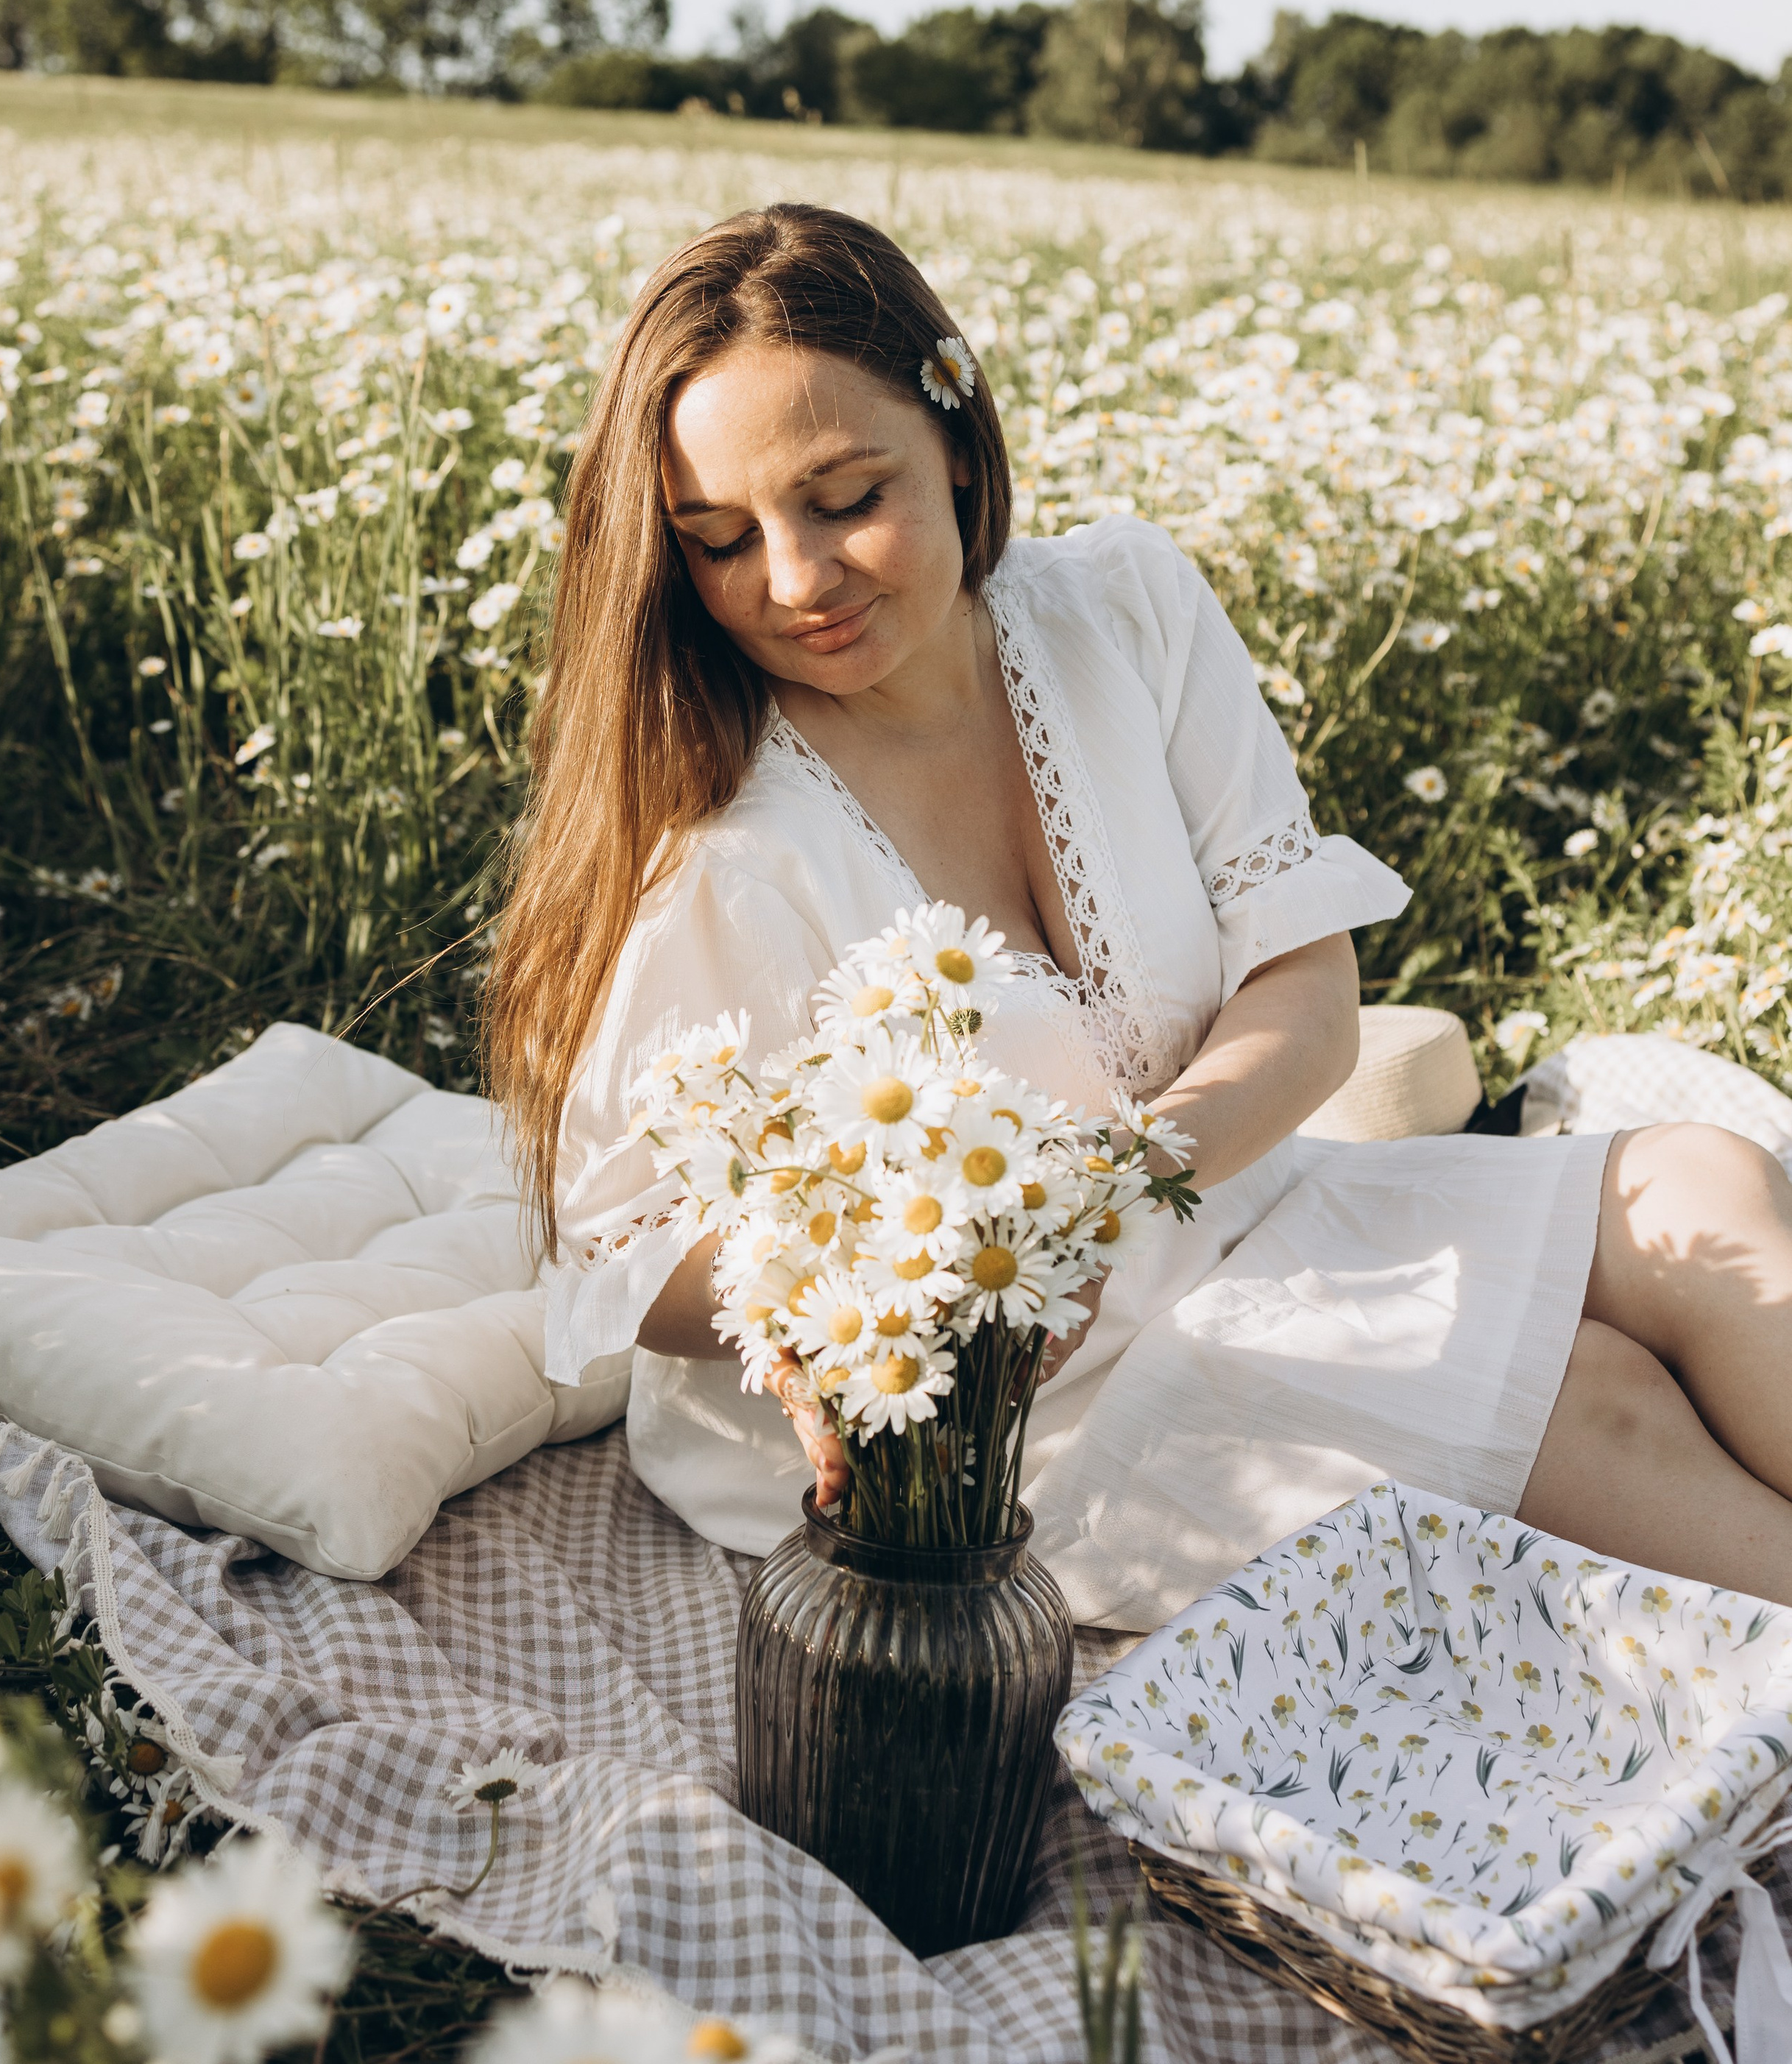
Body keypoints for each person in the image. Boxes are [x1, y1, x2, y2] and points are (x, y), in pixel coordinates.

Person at [486, 202, 1792, 1630]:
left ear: (955, 434)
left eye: (846, 498)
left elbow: (1304, 992)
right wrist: (905, 1298)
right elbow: (622, 1252)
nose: (794, 582)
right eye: (720, 539)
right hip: (1011, 1407)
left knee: (1699, 1180)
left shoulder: (1120, 610)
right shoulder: (722, 841)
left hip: (1222, 1206)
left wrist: (1113, 1192)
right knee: (1586, 1402)